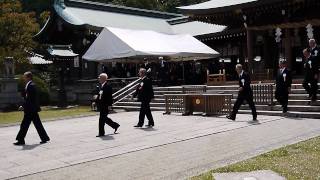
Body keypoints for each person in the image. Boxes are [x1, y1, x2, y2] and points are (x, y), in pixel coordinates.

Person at [14, 72, 50, 145]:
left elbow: (29, 99)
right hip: (32, 109)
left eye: (24, 77)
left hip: (30, 109)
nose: (23, 78)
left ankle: (21, 140)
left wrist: (23, 106)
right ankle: (44, 138)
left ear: (28, 77)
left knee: (24, 125)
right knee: (37, 124)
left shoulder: (31, 86)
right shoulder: (30, 85)